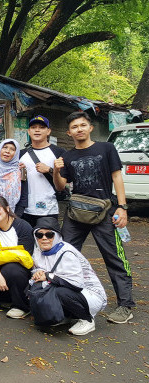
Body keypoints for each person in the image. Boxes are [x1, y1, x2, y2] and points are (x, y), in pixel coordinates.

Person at [53, 111, 134, 324]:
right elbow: (60, 187)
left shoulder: (106, 148)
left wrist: (122, 207)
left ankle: (125, 305)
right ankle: (60, 301)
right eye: (74, 127)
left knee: (114, 257)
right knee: (64, 254)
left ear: (89, 127)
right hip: (76, 213)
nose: (78, 129)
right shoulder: (68, 156)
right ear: (69, 133)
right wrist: (56, 171)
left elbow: (117, 176)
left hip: (105, 211)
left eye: (82, 125)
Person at [30, 217, 107, 335]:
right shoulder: (39, 250)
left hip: (89, 294)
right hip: (70, 290)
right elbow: (41, 267)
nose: (44, 238)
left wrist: (48, 276)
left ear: (57, 236)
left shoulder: (67, 253)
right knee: (39, 286)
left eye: (49, 234)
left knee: (60, 292)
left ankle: (87, 319)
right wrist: (38, 272)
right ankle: (66, 316)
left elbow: (76, 283)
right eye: (39, 235)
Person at [20, 116, 65, 226]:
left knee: (47, 240)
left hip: (49, 208)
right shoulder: (20, 154)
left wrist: (49, 169)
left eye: (41, 127)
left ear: (48, 131)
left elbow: (65, 180)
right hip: (25, 208)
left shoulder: (58, 151)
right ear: (29, 132)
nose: (37, 130)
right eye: (33, 127)